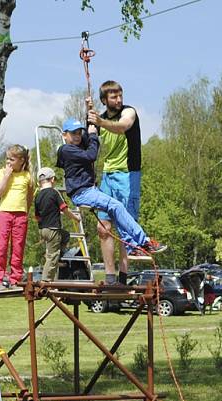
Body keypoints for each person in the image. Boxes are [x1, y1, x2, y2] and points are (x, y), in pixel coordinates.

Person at [56, 118, 166, 257]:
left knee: (116, 211)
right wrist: (93, 136)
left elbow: (90, 131)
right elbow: (91, 155)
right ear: (64, 135)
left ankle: (132, 246)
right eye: (73, 133)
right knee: (117, 206)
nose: (77, 136)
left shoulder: (76, 146)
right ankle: (144, 241)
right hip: (82, 192)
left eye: (79, 133)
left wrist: (90, 114)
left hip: (89, 190)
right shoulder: (66, 149)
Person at [87, 81, 142, 285]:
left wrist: (100, 122)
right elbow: (89, 145)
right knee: (103, 227)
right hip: (108, 175)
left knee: (125, 227)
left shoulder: (129, 112)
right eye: (113, 97)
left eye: (120, 95)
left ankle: (123, 276)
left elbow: (123, 127)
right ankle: (109, 277)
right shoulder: (98, 119)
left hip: (128, 174)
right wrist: (90, 118)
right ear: (104, 100)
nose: (119, 100)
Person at [0, 144, 34, 291]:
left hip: (20, 215)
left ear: (21, 160)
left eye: (12, 159)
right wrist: (7, 175)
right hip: (4, 214)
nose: (8, 162)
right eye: (7, 159)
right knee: (1, 246)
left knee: (18, 248)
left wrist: (25, 212)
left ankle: (15, 280)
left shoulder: (27, 176)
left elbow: (29, 197)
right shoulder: (3, 172)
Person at [34, 167, 81, 281]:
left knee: (65, 235)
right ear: (53, 179)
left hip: (43, 229)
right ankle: (46, 281)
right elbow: (64, 209)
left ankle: (59, 256)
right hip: (53, 228)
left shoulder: (38, 196)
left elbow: (37, 216)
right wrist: (76, 218)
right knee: (52, 256)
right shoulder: (55, 193)